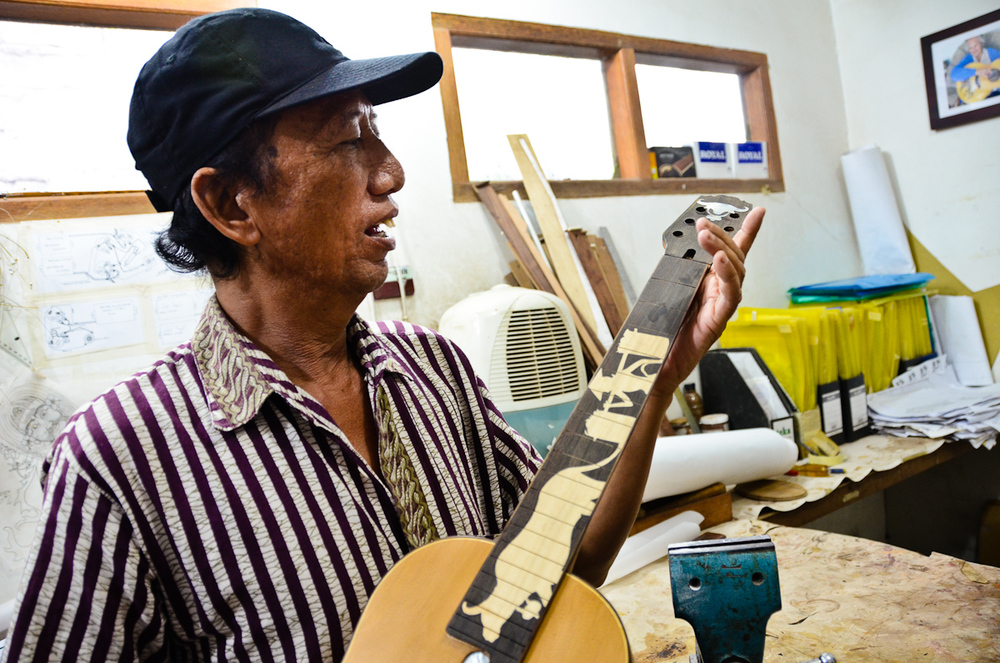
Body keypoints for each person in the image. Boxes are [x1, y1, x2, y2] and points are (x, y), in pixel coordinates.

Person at [0, 8, 764, 662]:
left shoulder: (435, 370)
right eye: (347, 141)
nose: (392, 171)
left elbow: (567, 564)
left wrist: (655, 375)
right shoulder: (121, 456)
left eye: (379, 134)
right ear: (232, 203)